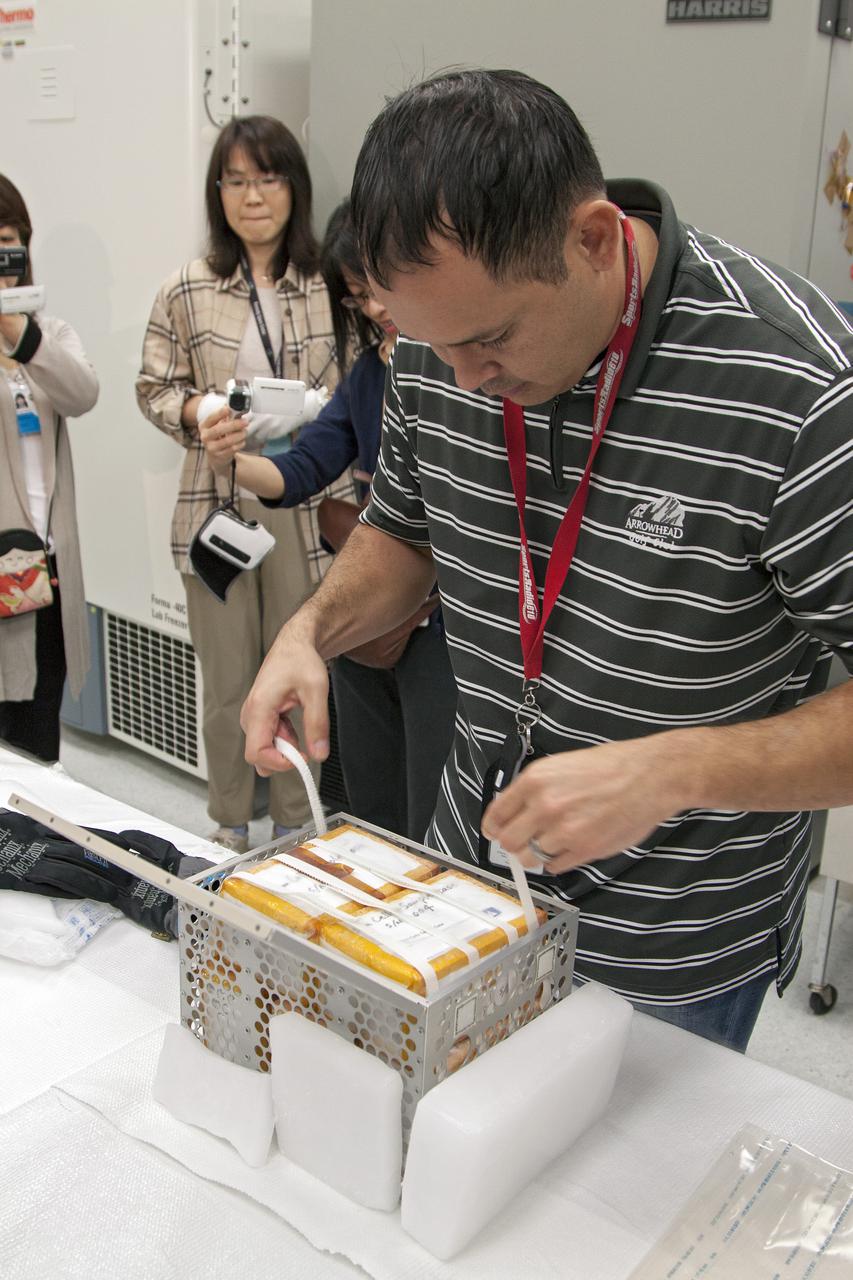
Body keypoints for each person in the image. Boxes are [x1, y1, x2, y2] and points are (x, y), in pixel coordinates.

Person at [240, 70, 853, 1052]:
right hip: (470, 883)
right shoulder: (444, 352)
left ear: (595, 239)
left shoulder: (803, 392)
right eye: (426, 344)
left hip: (669, 945)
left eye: (489, 339)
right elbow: (405, 533)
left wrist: (671, 770)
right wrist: (310, 630)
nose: (465, 380)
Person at [200, 200, 457, 841]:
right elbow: (300, 471)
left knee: (437, 805)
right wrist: (234, 457)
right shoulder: (369, 374)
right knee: (369, 802)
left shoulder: (465, 369)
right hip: (367, 616)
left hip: (441, 623)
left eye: (380, 290)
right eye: (358, 297)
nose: (374, 309)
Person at [136, 116, 354, 855]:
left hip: (304, 504)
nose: (251, 196)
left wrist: (315, 412)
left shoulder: (329, 282)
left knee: (297, 669)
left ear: (293, 186)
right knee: (227, 679)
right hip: (217, 505)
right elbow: (154, 387)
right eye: (234, 180)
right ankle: (228, 824)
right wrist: (199, 410)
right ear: (216, 192)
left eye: (267, 177)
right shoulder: (187, 288)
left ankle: (296, 824)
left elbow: (355, 389)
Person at [0, 175, 99, 763]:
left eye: (7, 244)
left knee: (37, 735)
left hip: (44, 566)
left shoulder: (50, 334)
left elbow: (82, 393)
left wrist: (22, 336)